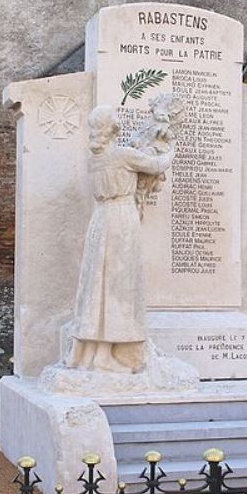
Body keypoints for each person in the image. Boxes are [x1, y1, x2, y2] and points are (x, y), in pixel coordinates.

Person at [66, 104, 175, 373]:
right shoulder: (124, 155)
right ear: (114, 128)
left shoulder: (95, 158)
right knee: (118, 287)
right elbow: (157, 164)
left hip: (101, 220)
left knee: (99, 287)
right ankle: (107, 354)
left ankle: (95, 353)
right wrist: (172, 146)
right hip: (122, 220)